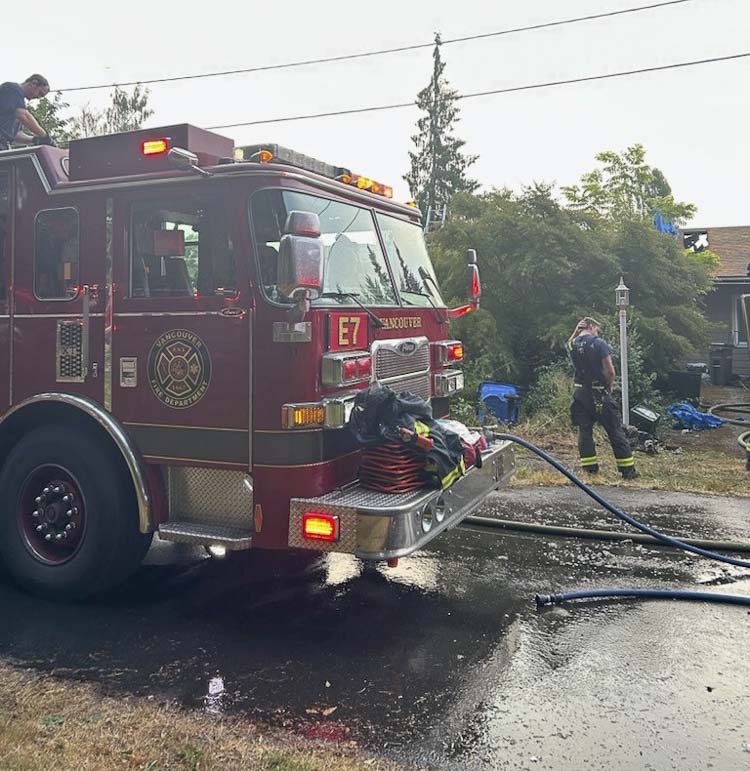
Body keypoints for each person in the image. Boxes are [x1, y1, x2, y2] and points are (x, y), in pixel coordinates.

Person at [568, 316, 638, 479]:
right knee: (615, 430)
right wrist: (609, 386)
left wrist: (576, 331)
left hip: (580, 394)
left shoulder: (573, 344)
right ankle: (628, 471)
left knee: (585, 431)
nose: (597, 332)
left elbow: (569, 342)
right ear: (591, 326)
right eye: (596, 329)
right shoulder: (599, 343)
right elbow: (610, 370)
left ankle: (590, 469)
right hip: (599, 393)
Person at [0, 75, 51, 150]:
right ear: (34, 83)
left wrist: (35, 139)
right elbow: (23, 115)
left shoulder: (17, 105)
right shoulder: (12, 88)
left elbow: (16, 134)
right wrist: (44, 135)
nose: (38, 97)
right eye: (40, 93)